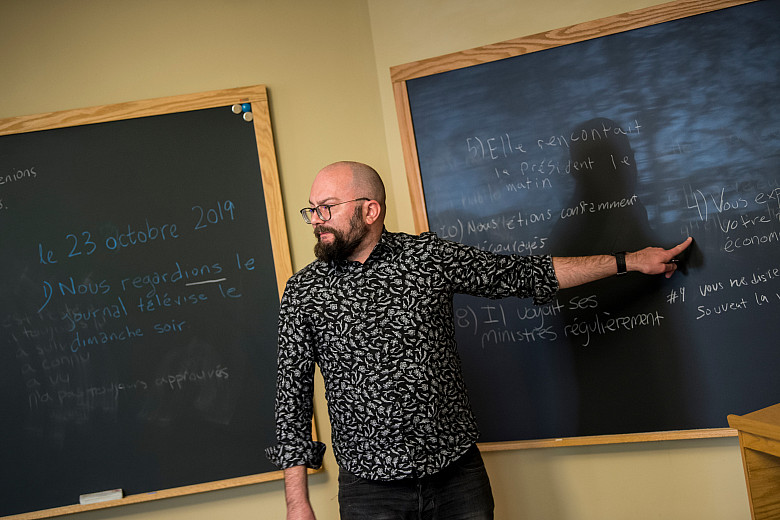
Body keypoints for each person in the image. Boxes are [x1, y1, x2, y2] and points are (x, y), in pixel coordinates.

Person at [265, 161, 692, 520]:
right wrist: (296, 501)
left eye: (326, 208)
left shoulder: (427, 259)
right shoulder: (305, 293)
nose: (316, 219)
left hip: (457, 477)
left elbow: (526, 275)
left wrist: (629, 261)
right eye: (313, 210)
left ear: (370, 209)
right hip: (369, 492)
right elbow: (292, 398)